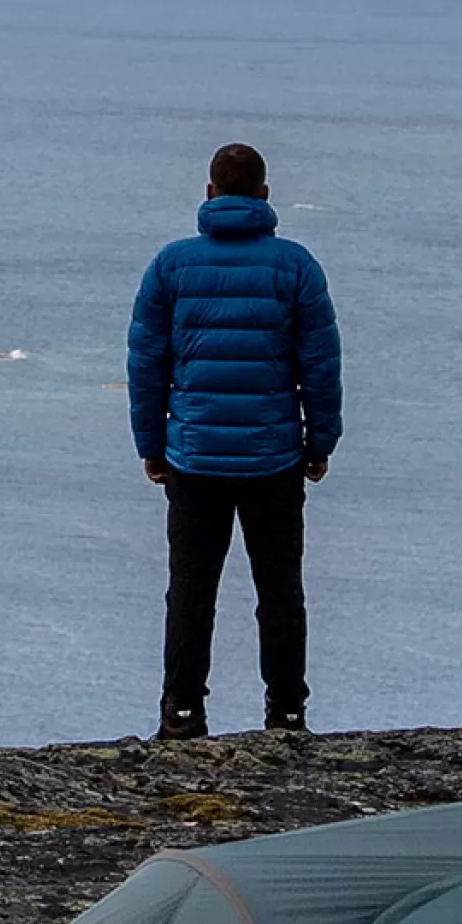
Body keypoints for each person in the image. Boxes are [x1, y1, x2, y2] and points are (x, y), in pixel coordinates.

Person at [127, 143, 343, 740]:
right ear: (266, 196)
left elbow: (147, 363)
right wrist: (320, 442)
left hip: (194, 458)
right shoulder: (296, 266)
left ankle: (182, 711)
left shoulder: (171, 266)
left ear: (209, 193)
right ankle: (287, 711)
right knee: (279, 590)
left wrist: (151, 444)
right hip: (274, 459)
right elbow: (320, 364)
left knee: (191, 591)